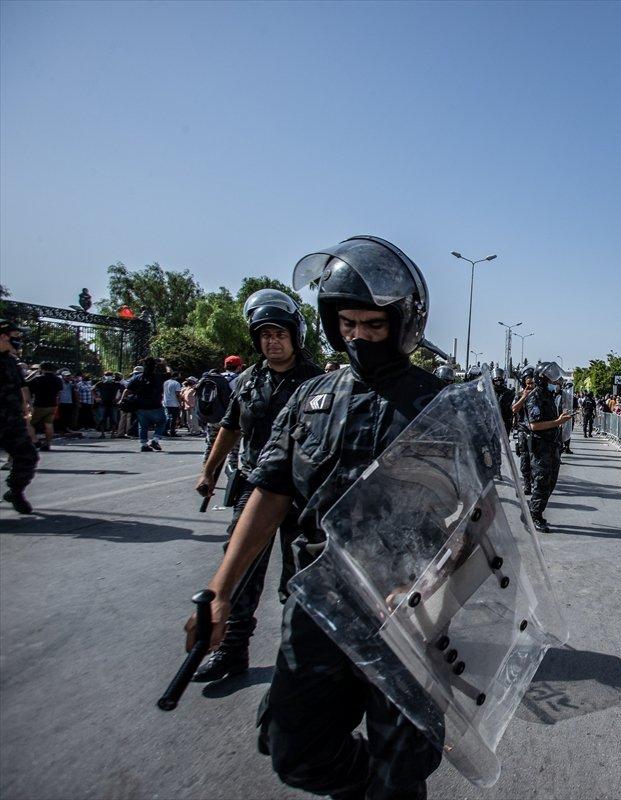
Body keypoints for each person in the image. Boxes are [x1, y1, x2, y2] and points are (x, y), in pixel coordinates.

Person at [185, 235, 445, 798]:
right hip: (318, 604)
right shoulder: (308, 400)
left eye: (373, 325)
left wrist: (431, 588)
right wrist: (221, 590)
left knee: (401, 767)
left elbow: (477, 520)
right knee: (293, 749)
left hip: (405, 616)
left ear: (403, 325)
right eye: (347, 324)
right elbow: (270, 492)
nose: (359, 337)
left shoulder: (440, 406)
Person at [191, 289, 322, 682]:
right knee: (241, 568)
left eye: (279, 334)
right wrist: (209, 470)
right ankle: (232, 651)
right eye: (265, 335)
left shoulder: (319, 382)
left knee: (300, 577)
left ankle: (298, 659)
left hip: (302, 494)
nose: (272, 341)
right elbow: (230, 427)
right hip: (254, 486)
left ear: (295, 336)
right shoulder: (249, 380)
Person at [525, 362, 571, 532]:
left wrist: (561, 421)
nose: (555, 382)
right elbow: (534, 425)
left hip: (552, 445)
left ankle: (536, 511)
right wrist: (558, 422)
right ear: (542, 379)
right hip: (541, 447)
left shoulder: (549, 396)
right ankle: (534, 515)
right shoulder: (534, 397)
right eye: (551, 379)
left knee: (550, 482)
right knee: (542, 483)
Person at [0, 321, 38, 513]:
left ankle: (16, 491)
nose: (19, 340)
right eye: (15, 335)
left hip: (11, 420)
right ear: (3, 336)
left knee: (28, 456)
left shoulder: (11, 362)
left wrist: (27, 418)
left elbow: (21, 390)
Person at [126, 357, 167, 452]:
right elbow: (169, 373)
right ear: (155, 366)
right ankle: (155, 439)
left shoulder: (137, 377)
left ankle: (143, 444)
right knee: (161, 422)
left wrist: (122, 399)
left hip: (140, 405)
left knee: (143, 426)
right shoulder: (158, 376)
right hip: (155, 404)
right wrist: (164, 363)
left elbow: (128, 390)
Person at [25, 363, 63, 451]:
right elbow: (59, 391)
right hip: (53, 404)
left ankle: (35, 441)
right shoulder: (58, 379)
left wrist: (31, 374)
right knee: (49, 424)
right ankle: (47, 444)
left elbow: (24, 384)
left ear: (41, 369)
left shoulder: (37, 378)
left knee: (29, 424)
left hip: (39, 404)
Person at [512, 366, 536, 495]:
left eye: (532, 383)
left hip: (536, 431)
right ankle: (527, 483)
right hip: (523, 430)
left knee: (535, 458)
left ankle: (534, 481)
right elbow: (514, 409)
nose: (530, 385)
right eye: (528, 383)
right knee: (525, 457)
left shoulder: (539, 395)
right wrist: (524, 397)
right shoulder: (520, 395)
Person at [94, 372, 121, 437]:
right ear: (104, 376)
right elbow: (92, 389)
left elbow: (123, 390)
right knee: (102, 419)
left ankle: (113, 434)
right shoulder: (100, 383)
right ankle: (102, 434)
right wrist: (96, 397)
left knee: (114, 419)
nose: (108, 377)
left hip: (113, 404)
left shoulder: (116, 384)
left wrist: (118, 398)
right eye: (107, 375)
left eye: (110, 375)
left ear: (113, 376)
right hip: (103, 404)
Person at [492, 367, 515, 435]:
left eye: (499, 379)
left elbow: (513, 407)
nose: (498, 381)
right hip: (492, 421)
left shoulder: (508, 392)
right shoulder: (489, 392)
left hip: (505, 421)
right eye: (496, 380)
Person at [162, 370, 183, 437]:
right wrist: (180, 403)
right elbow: (177, 394)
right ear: (176, 376)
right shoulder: (176, 383)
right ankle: (172, 431)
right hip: (174, 403)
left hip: (166, 402)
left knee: (167, 417)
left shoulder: (165, 382)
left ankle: (164, 431)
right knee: (173, 418)